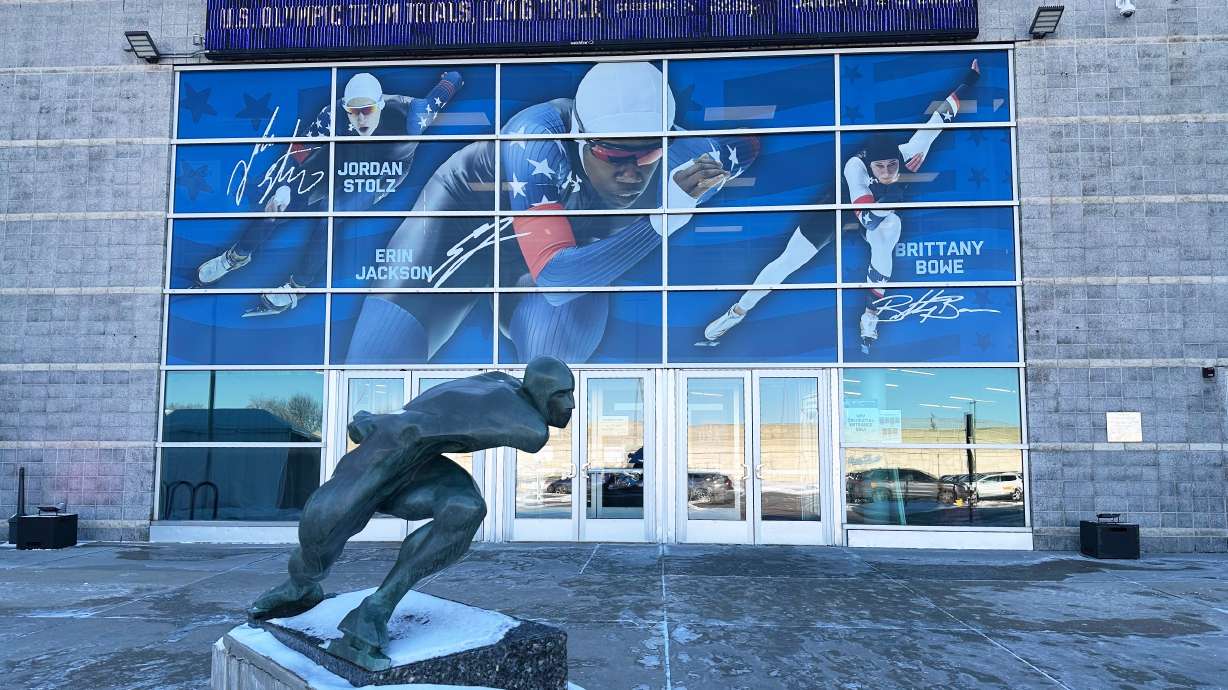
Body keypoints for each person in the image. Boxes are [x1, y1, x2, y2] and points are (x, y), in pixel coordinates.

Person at [342, 61, 757, 364]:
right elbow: (557, 278)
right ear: (579, 137)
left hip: (552, 257)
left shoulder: (688, 159)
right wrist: (667, 216)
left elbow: (746, 147)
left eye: (647, 155)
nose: (632, 173)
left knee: (552, 372)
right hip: (456, 230)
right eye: (613, 156)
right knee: (370, 382)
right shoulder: (536, 139)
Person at [248, 357, 575, 670]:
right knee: (320, 532)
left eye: (570, 393)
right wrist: (385, 423)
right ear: (540, 390)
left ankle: (377, 608)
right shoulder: (530, 425)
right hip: (386, 454)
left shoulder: (499, 380)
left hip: (417, 461)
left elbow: (440, 410)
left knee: (465, 508)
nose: (571, 405)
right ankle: (300, 586)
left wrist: (382, 420)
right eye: (561, 395)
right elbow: (448, 416)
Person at [700, 59, 981, 353]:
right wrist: (892, 195)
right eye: (880, 167)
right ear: (870, 165)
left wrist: (970, 80)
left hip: (879, 213)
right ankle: (737, 312)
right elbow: (867, 217)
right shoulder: (855, 168)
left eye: (892, 165)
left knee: (890, 229)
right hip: (837, 209)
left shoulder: (912, 151)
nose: (887, 171)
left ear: (899, 159)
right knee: (787, 262)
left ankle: (870, 315)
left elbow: (941, 116)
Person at [194, 71, 463, 316]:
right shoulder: (332, 115)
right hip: (341, 159)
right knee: (278, 204)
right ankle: (237, 256)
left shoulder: (413, 114)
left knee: (329, 217)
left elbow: (443, 92)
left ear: (380, 106)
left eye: (367, 111)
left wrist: (452, 76)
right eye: (354, 112)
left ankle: (298, 286)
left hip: (381, 171)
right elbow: (301, 148)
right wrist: (284, 184)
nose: (361, 119)